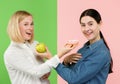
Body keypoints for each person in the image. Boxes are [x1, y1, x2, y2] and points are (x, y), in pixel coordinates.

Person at [4, 10, 80, 84]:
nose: (30, 28)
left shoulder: (35, 44)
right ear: (16, 27)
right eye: (26, 24)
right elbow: (36, 71)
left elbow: (44, 68)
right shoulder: (11, 53)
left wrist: (47, 71)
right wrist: (60, 54)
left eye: (31, 24)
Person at [41, 9, 113, 84]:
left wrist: (52, 58)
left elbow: (74, 79)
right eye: (83, 25)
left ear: (100, 24)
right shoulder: (84, 49)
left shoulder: (101, 53)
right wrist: (66, 62)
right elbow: (71, 73)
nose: (86, 29)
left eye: (90, 24)